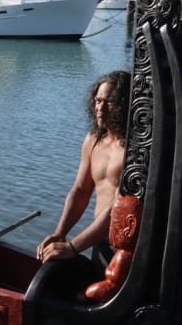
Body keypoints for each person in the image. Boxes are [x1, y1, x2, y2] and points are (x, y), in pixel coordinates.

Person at [37, 70, 131, 263]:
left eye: (109, 102)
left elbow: (118, 208)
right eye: (98, 101)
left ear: (125, 105)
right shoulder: (93, 141)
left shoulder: (133, 150)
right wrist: (60, 233)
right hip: (99, 241)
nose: (100, 108)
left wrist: (73, 247)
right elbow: (80, 191)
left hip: (128, 247)